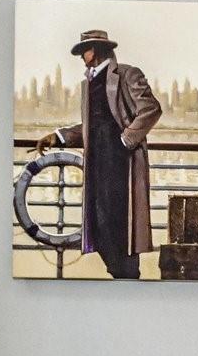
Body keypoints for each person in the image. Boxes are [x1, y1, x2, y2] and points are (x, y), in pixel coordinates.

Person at [36, 28, 162, 278]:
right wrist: (59, 136)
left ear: (97, 51)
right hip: (97, 163)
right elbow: (91, 125)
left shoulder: (126, 74)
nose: (82, 55)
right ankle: (119, 273)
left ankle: (127, 277)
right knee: (100, 224)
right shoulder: (88, 82)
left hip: (121, 164)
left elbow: (151, 109)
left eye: (85, 49)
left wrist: (125, 140)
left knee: (121, 226)